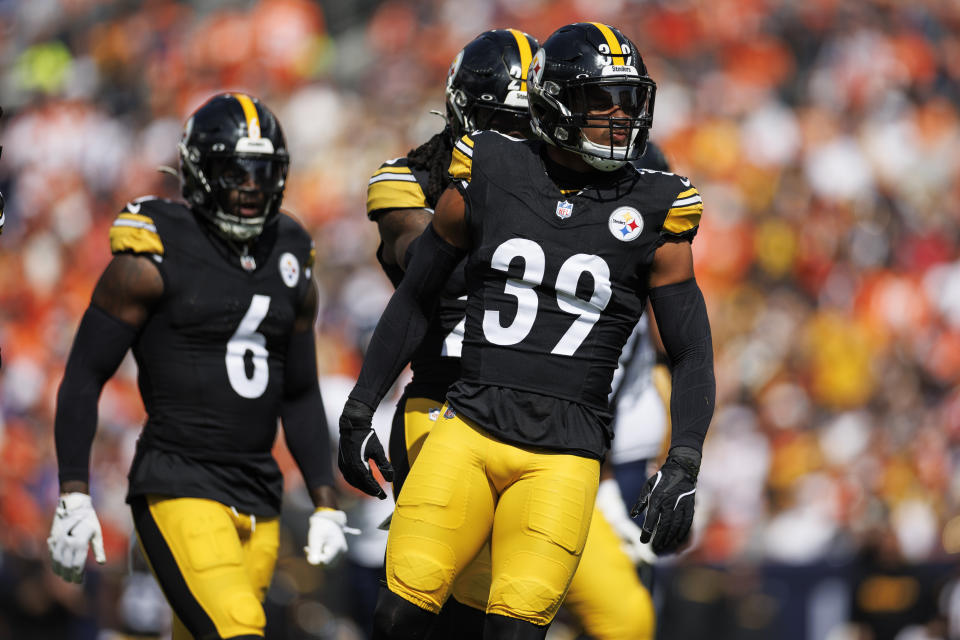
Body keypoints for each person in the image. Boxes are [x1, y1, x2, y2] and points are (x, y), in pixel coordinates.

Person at [342, 21, 716, 638]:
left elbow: (690, 348)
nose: (619, 120)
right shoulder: (478, 172)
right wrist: (360, 410)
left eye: (627, 103)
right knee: (407, 612)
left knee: (583, 619)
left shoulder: (649, 199)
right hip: (456, 407)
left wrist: (683, 462)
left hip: (567, 443)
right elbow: (417, 285)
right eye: (602, 102)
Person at [47, 93, 354, 640]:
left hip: (261, 495)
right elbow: (83, 377)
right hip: (179, 482)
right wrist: (73, 491)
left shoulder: (290, 249)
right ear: (198, 172)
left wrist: (324, 498)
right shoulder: (153, 252)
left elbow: (301, 391)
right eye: (235, 171)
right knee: (238, 630)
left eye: (264, 171)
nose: (251, 185)